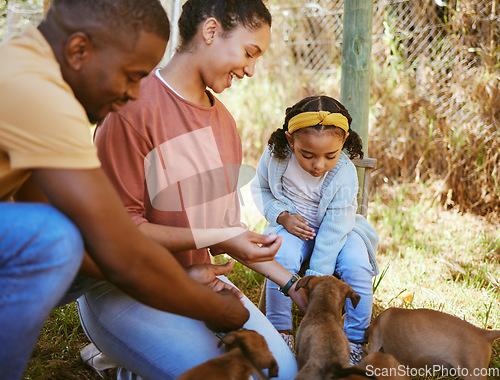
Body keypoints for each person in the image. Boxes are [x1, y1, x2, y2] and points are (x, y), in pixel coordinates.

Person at [0, 1, 252, 378]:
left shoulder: (27, 66)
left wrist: (180, 280)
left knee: (57, 232)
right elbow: (116, 248)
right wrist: (212, 308)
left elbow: (50, 223)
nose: (134, 94)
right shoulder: (40, 93)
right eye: (131, 75)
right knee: (59, 237)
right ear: (79, 50)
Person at [76, 0, 300, 379]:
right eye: (249, 53)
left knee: (283, 372)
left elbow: (223, 232)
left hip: (198, 279)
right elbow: (118, 235)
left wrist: (294, 285)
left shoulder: (225, 124)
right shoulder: (130, 109)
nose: (251, 70)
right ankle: (121, 361)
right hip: (122, 288)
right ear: (210, 32)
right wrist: (221, 236)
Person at [251, 95, 380, 365]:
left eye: (329, 156)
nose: (318, 164)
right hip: (294, 227)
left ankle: (355, 340)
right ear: (290, 140)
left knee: (358, 265)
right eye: (307, 155)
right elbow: (260, 189)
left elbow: (335, 229)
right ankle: (280, 331)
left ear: (343, 142)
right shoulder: (276, 158)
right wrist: (282, 215)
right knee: (280, 255)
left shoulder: (343, 173)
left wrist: (316, 276)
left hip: (341, 231)